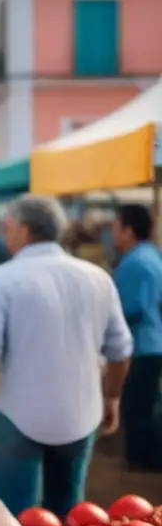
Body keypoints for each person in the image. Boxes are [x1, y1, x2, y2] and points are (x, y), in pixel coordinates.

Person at [0, 195, 132, 517]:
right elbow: (121, 349)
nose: (5, 234)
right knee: (69, 519)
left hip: (18, 416)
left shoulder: (2, 279)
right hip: (81, 414)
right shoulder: (98, 277)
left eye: (8, 227)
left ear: (24, 230)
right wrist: (112, 397)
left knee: (14, 520)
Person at [112, 202, 162, 471]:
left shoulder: (134, 262)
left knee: (137, 410)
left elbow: (132, 309)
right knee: (146, 406)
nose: (113, 234)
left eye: (116, 227)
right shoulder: (152, 255)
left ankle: (144, 464)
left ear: (128, 230)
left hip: (140, 346)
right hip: (154, 342)